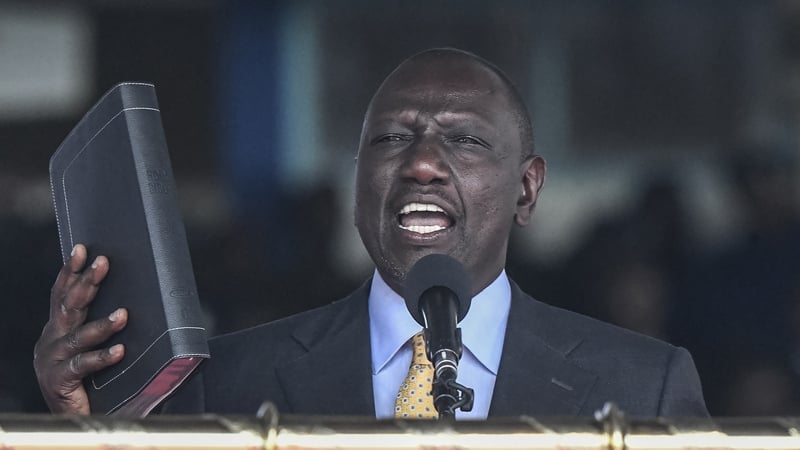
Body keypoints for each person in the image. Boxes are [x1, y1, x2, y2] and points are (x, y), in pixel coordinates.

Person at [33, 48, 708, 418]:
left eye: (464, 140)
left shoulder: (642, 385)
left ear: (526, 190)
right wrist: (83, 424)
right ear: (359, 186)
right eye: (391, 139)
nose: (419, 162)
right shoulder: (228, 381)